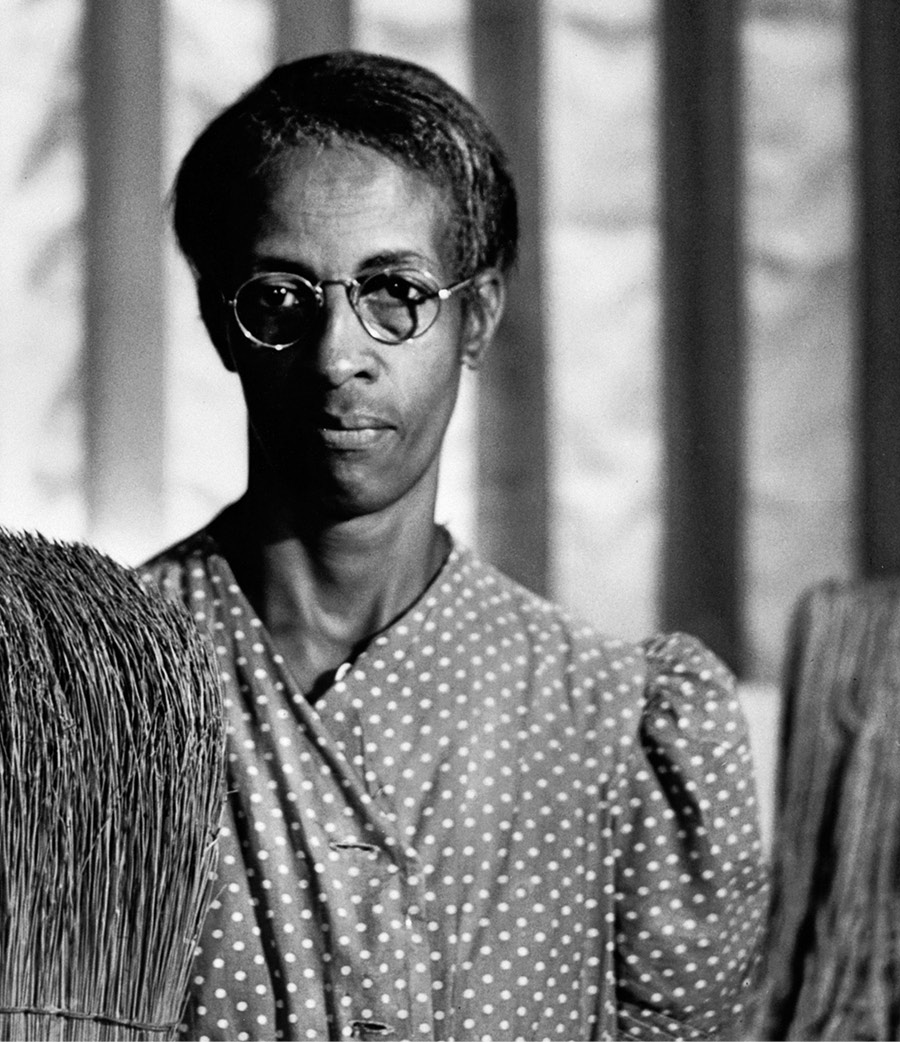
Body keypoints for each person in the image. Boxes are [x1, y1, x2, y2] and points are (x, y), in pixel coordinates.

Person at [140, 51, 768, 1041]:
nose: (338, 353)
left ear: (475, 316)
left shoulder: (608, 724)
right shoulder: (99, 683)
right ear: (223, 323)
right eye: (279, 297)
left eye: (395, 291)